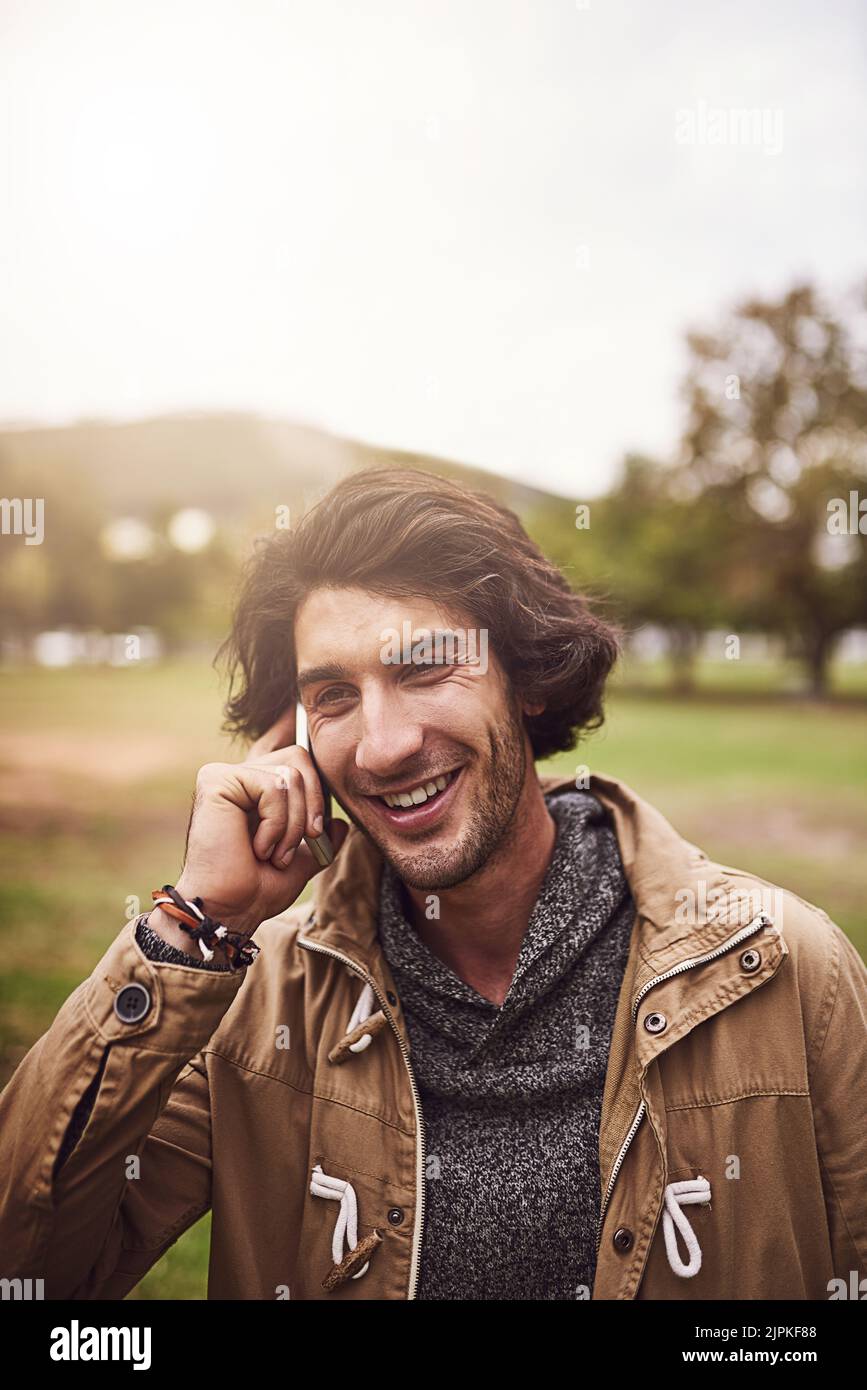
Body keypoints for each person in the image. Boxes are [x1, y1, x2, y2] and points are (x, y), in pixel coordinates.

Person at [1, 467, 865, 1301]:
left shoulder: (786, 971)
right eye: (333, 695)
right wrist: (193, 926)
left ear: (524, 678)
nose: (381, 747)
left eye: (422, 670)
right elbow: (33, 1271)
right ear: (290, 740)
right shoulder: (255, 1003)